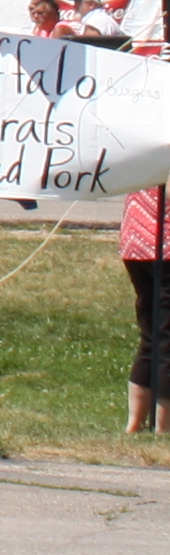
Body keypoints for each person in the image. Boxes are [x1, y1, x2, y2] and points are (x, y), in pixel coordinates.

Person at [128, 177, 167, 436]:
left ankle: (135, 424)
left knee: (153, 334)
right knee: (166, 338)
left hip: (136, 236)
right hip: (162, 242)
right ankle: (165, 430)